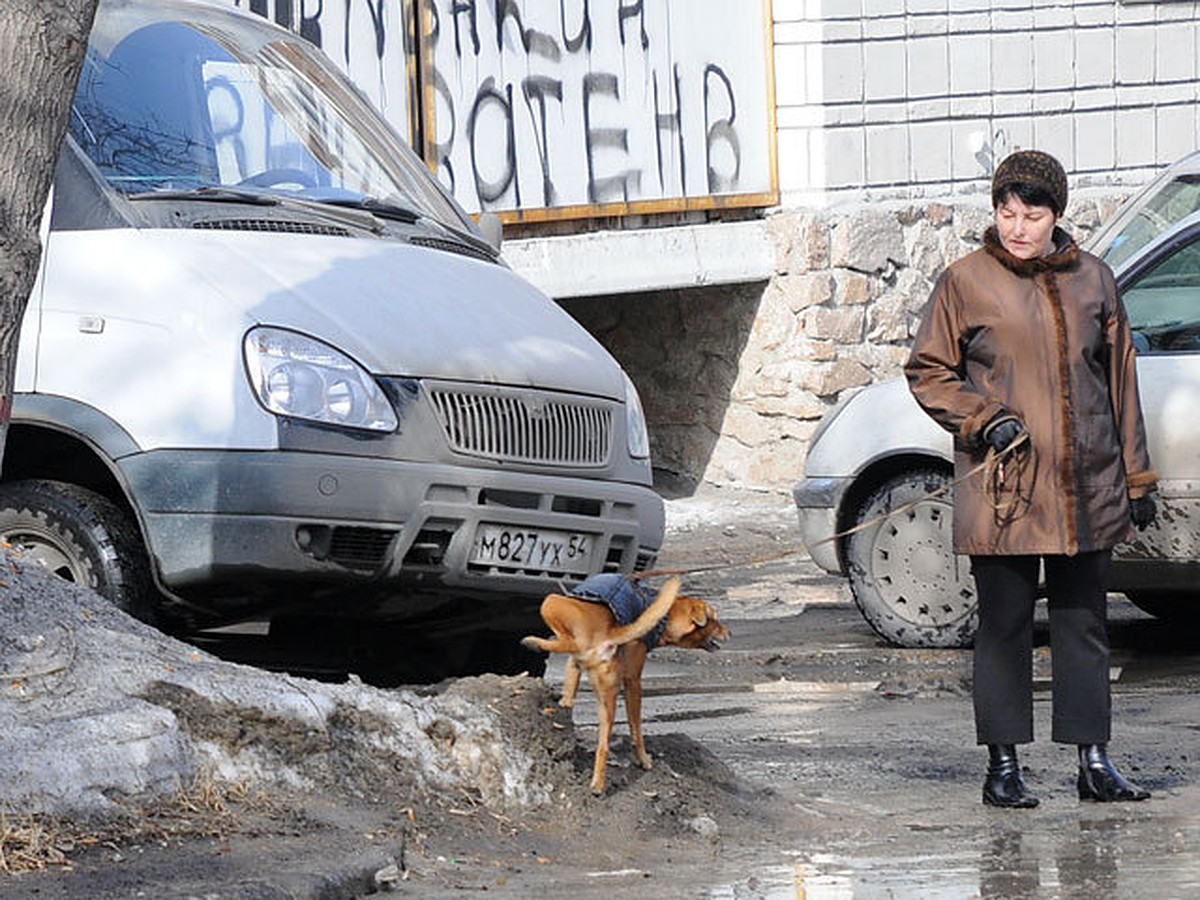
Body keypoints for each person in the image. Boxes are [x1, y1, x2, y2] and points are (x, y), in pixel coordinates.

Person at [904, 149, 1158, 808]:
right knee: (1006, 627)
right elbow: (929, 370)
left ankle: (1094, 760)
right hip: (1005, 489)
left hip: (1085, 485)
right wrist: (981, 418)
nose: (1018, 226)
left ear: (1057, 214)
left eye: (1032, 213)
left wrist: (1137, 473)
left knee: (1084, 623)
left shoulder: (1096, 280)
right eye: (1006, 212)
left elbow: (1121, 380)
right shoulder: (965, 282)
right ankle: (1004, 766)